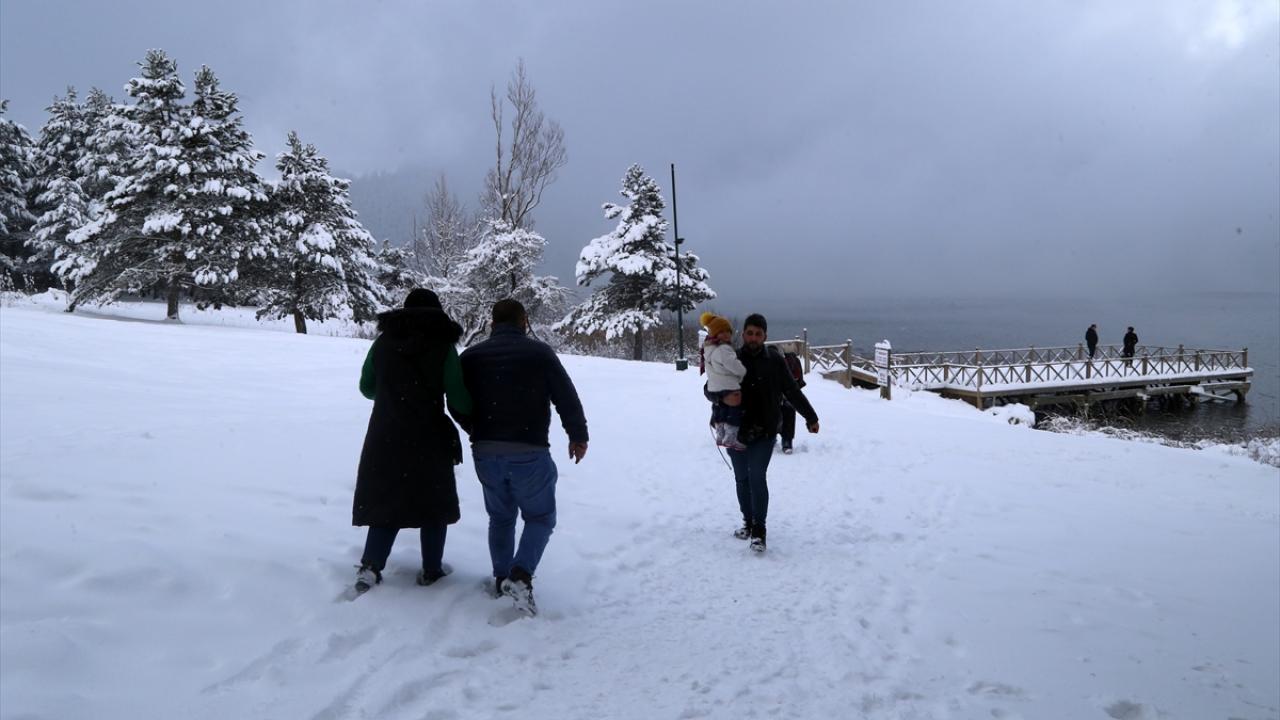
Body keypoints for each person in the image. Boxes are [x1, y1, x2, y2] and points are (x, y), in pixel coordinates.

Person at [460, 299, 588, 616]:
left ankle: (501, 577)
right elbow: (565, 395)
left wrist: (475, 428)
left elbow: (456, 400)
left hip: (485, 450)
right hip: (528, 450)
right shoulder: (539, 353)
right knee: (540, 517)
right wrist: (578, 435)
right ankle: (520, 576)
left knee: (500, 517)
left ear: (492, 323)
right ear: (524, 321)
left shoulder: (472, 356)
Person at [352, 288, 472, 594]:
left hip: (385, 433)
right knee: (433, 502)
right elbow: (458, 396)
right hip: (429, 434)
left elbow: (367, 387)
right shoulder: (443, 346)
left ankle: (370, 567)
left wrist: (394, 394)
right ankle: (431, 569)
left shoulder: (383, 342)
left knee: (386, 500)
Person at [729, 313, 819, 553]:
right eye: (750, 333)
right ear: (743, 334)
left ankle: (759, 530)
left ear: (765, 336)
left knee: (757, 477)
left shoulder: (775, 360)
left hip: (765, 429)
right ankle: (748, 522)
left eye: (758, 334)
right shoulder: (732, 358)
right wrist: (719, 397)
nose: (753, 338)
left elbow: (792, 391)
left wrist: (810, 417)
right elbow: (711, 387)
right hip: (736, 429)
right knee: (741, 478)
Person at [699, 312, 747, 450]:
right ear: (715, 333)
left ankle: (720, 434)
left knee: (721, 408)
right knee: (734, 409)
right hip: (728, 386)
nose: (726, 334)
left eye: (728, 331)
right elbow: (733, 365)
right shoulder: (724, 349)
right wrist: (742, 371)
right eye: (722, 332)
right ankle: (731, 437)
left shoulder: (708, 348)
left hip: (714, 387)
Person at [779, 350, 806, 454]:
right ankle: (778, 439)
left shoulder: (792, 361)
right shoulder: (766, 359)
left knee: (788, 411)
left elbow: (798, 378)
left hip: (788, 391)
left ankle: (786, 440)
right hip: (774, 391)